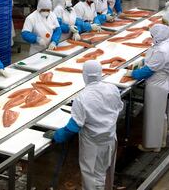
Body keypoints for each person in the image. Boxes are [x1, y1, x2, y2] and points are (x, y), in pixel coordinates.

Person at [46, 60, 123, 190]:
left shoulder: (82, 98)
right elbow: (119, 107)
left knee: (93, 176)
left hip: (93, 143)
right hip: (110, 138)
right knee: (106, 171)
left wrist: (57, 135)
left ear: (84, 75)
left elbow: (73, 127)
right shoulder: (112, 89)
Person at [126, 24, 169, 152]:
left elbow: (148, 71)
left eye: (153, 36)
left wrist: (133, 74)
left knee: (153, 116)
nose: (152, 38)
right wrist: (143, 62)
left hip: (156, 86)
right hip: (163, 83)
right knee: (161, 115)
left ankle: (152, 145)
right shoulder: (167, 45)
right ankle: (161, 141)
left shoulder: (161, 51)